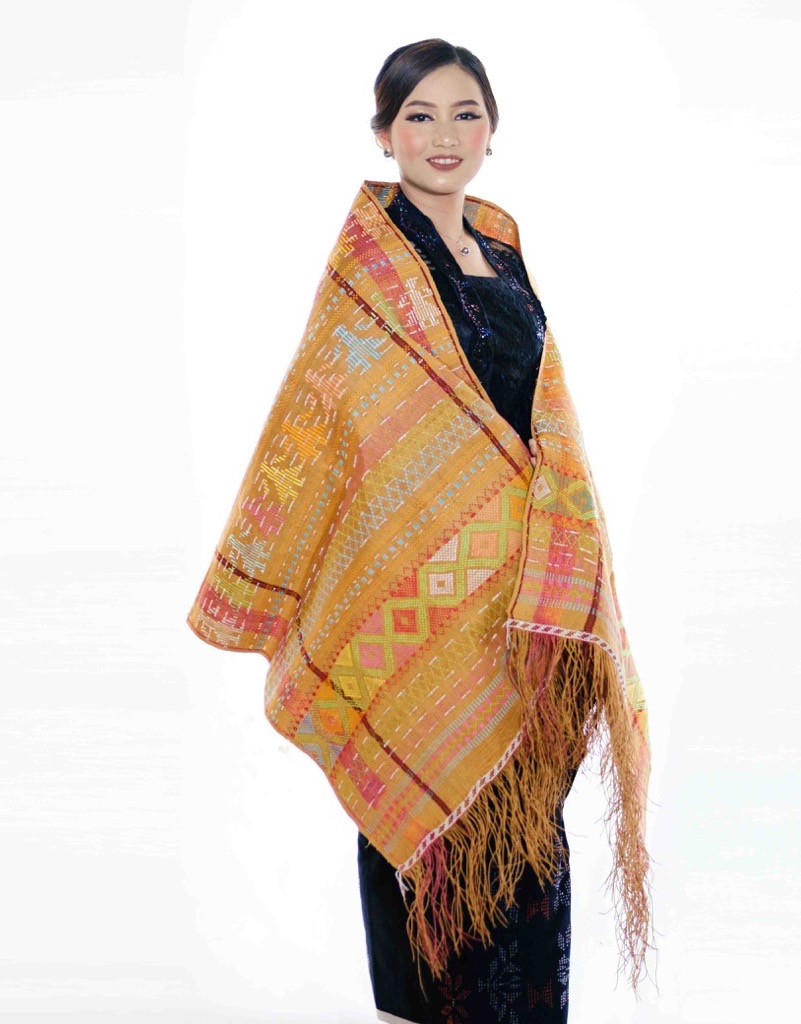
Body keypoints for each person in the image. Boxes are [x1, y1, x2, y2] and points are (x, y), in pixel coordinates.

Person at [187, 36, 652, 1024]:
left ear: (492, 130)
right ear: (384, 133)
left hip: (525, 605)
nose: (444, 135)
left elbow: (543, 423)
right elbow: (326, 424)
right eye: (419, 116)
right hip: (418, 598)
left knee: (525, 833)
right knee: (419, 802)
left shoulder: (505, 250)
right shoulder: (368, 273)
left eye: (464, 113)